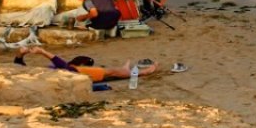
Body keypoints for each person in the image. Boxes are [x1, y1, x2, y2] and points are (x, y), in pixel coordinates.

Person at [14, 47, 158, 85]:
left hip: (72, 70)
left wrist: (21, 55)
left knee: (111, 71)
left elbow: (19, 68)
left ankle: (126, 70)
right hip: (76, 72)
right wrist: (43, 52)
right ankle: (141, 73)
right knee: (111, 72)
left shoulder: (33, 73)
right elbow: (65, 67)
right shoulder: (71, 70)